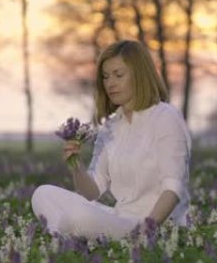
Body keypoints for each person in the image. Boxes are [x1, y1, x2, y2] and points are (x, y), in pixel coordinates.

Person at [31, 40, 192, 240]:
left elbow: (173, 188)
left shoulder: (165, 118)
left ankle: (65, 235)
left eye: (118, 75)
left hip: (153, 225)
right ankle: (71, 233)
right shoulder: (111, 126)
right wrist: (76, 166)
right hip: (119, 218)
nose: (110, 83)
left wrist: (146, 231)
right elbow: (92, 192)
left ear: (140, 74)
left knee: (82, 218)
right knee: (43, 193)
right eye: (106, 77)